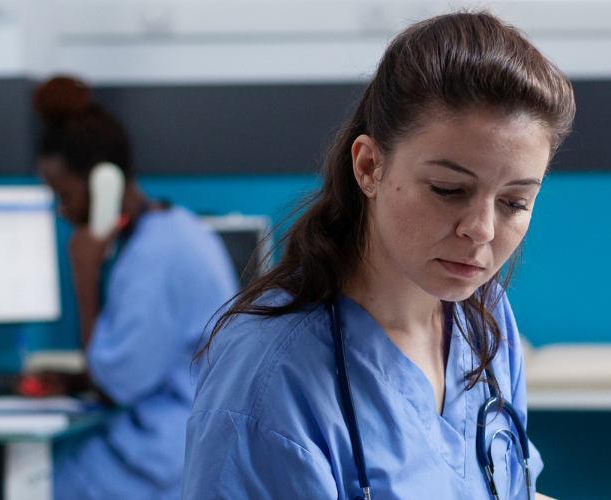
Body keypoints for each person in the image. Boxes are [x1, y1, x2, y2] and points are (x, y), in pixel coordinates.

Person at [182, 11, 574, 500]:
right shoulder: (267, 379)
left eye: (514, 202)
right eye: (448, 189)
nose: (481, 229)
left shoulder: (483, 318)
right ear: (369, 166)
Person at [32, 76, 240, 500]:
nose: (62, 212)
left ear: (103, 183)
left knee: (31, 478)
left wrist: (84, 275)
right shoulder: (176, 228)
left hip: (169, 455)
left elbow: (114, 385)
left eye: (65, 196)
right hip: (187, 439)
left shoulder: (152, 256)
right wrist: (74, 380)